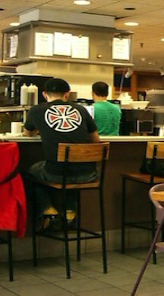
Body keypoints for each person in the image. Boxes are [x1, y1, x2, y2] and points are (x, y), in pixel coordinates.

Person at [23, 78, 100, 227]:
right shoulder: (81, 110)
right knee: (72, 165)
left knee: (31, 172)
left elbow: (28, 134)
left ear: (45, 94)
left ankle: (48, 210)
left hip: (55, 174)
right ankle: (70, 211)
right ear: (67, 94)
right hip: (89, 174)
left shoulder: (36, 110)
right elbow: (96, 140)